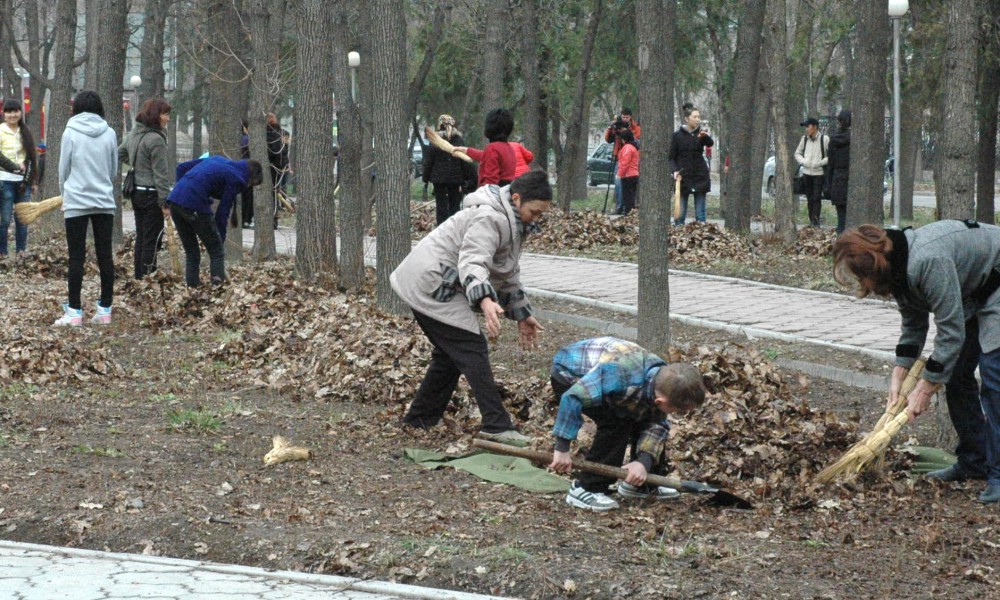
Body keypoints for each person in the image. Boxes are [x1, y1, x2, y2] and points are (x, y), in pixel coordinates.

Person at [832, 221, 1000, 504]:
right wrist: (900, 372)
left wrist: (925, 388)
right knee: (957, 375)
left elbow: (950, 332)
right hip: (975, 291)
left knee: (994, 374)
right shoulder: (898, 267)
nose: (863, 285)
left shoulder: (926, 261)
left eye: (862, 278)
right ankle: (975, 461)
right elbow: (913, 324)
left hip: (996, 281)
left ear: (875, 266)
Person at [391, 170, 552, 445]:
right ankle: (496, 425)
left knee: (450, 354)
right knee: (471, 346)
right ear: (516, 198)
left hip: (441, 282)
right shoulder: (491, 217)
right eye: (534, 212)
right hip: (431, 283)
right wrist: (485, 299)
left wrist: (522, 315)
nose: (536, 219)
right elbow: (473, 261)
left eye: (540, 215)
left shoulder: (512, 222)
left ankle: (420, 419)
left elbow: (506, 270)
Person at [547, 337, 707, 512]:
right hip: (569, 374)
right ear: (661, 400)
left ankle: (641, 481)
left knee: (644, 415)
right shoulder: (619, 375)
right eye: (677, 410)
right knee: (617, 423)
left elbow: (657, 425)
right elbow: (572, 397)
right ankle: (587, 488)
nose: (677, 415)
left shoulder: (661, 380)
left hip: (615, 378)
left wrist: (643, 464)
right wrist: (562, 449)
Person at [54, 91, 119, 327]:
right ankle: (105, 309)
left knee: (76, 257)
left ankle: (74, 311)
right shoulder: (109, 133)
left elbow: (63, 169)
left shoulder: (70, 132)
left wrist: (65, 194)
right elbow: (113, 169)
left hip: (76, 201)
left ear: (76, 108)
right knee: (105, 256)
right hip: (103, 201)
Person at [166, 156, 264, 287]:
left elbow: (181, 168)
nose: (248, 187)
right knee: (216, 252)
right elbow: (222, 213)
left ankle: (192, 288)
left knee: (191, 251)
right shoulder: (236, 179)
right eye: (251, 184)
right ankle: (217, 289)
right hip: (194, 204)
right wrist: (219, 239)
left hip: (175, 201)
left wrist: (182, 193)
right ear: (250, 178)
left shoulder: (217, 159)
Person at [119, 97, 173, 279]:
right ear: (156, 115)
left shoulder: (135, 134)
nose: (168, 119)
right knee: (152, 240)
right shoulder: (156, 140)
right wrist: (166, 201)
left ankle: (139, 277)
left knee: (142, 238)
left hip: (136, 194)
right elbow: (161, 175)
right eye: (165, 114)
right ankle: (148, 278)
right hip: (152, 195)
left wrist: (136, 163)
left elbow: (120, 153)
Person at [0, 99, 38, 259]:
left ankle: (21, 251)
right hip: (4, 181)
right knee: (5, 219)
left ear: (20, 113)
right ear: (4, 113)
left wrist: (33, 181)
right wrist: (14, 166)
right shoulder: (1, 130)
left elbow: (32, 157)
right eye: (9, 111)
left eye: (15, 111)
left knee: (22, 219)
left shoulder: (25, 131)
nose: (12, 115)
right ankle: (3, 252)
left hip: (24, 182)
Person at [454, 108, 532, 187]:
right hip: (506, 190)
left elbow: (490, 180)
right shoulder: (508, 148)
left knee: (468, 199)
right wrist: (467, 151)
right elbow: (486, 156)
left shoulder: (492, 148)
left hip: (492, 192)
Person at [423, 114, 473, 225]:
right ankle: (454, 230)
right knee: (454, 207)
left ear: (440, 125)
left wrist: (425, 178)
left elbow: (429, 162)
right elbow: (464, 162)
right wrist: (467, 180)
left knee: (441, 207)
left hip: (439, 181)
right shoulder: (459, 140)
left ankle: (441, 231)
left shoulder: (435, 141)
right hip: (455, 180)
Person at [669, 103, 713, 225]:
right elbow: (671, 158)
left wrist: (705, 137)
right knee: (680, 214)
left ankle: (700, 238)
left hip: (700, 176)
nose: (698, 119)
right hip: (683, 177)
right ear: (687, 119)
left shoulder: (701, 135)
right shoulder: (677, 136)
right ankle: (679, 237)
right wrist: (674, 171)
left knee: (700, 214)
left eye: (699, 117)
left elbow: (710, 144)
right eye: (695, 117)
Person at [604, 108, 641, 215]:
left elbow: (636, 141)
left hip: (630, 158)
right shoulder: (618, 125)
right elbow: (608, 139)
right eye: (623, 117)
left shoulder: (635, 128)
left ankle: (628, 208)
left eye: (627, 117)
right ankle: (620, 206)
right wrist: (611, 129)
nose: (625, 119)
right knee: (619, 183)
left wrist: (627, 132)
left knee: (627, 186)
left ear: (630, 117)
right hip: (619, 156)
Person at [794, 117, 829, 228]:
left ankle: (816, 222)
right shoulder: (804, 139)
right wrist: (804, 161)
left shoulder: (825, 139)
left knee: (816, 198)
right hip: (806, 174)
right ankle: (811, 221)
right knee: (809, 198)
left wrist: (820, 163)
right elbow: (797, 153)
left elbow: (830, 156)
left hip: (819, 174)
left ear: (814, 127)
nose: (806, 129)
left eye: (807, 126)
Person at [827, 110, 851, 234]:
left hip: (837, 177)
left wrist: (828, 184)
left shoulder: (833, 139)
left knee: (841, 215)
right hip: (850, 177)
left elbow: (830, 162)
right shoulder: (853, 139)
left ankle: (841, 236)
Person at [265, 113, 290, 228]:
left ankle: (270, 220)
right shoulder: (280, 134)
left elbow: (274, 152)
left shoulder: (268, 135)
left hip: (270, 168)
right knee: (274, 194)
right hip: (278, 168)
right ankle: (274, 220)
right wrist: (284, 165)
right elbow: (283, 152)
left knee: (269, 194)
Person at [617, 128, 639, 216]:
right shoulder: (634, 147)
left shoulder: (627, 147)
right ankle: (630, 213)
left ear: (624, 139)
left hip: (628, 175)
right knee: (631, 196)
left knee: (627, 197)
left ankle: (628, 214)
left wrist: (619, 174)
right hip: (634, 174)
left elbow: (625, 162)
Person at [239, 118, 255, 228]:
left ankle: (245, 218)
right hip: (248, 169)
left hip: (242, 168)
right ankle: (246, 218)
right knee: (248, 196)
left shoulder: (241, 139)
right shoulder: (247, 139)